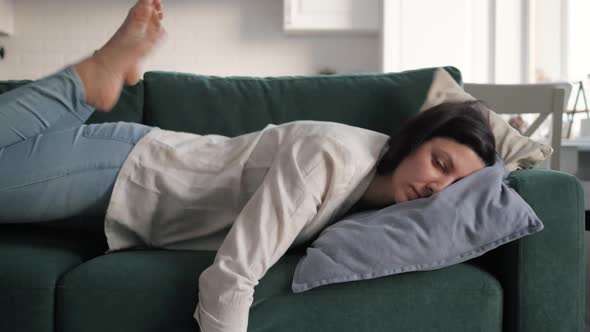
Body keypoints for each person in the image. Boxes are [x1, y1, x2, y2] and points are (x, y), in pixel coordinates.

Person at [0, 1, 497, 331]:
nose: (438, 187)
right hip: (123, 173)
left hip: (123, 182)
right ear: (413, 141)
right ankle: (89, 80)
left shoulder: (381, 196)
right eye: (439, 162)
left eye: (455, 184)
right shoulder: (330, 160)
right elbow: (231, 276)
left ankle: (96, 79)